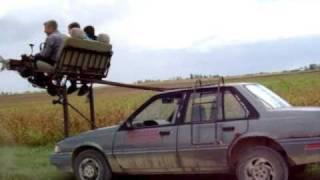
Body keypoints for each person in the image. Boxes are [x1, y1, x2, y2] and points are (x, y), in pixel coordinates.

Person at [30, 20, 65, 89]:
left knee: (36, 58)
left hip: (55, 63)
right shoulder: (64, 37)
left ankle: (40, 81)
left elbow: (45, 55)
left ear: (51, 28)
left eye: (45, 28)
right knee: (37, 57)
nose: (44, 31)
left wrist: (34, 56)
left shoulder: (52, 37)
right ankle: (46, 81)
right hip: (63, 63)